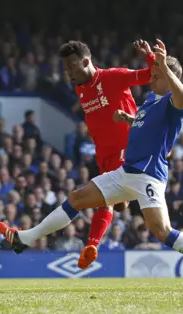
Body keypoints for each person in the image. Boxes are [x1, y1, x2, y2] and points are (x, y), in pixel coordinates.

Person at [0, 40, 183, 291]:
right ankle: (24, 238)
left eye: (157, 76)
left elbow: (182, 97)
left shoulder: (172, 102)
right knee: (76, 198)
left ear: (169, 79)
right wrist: (129, 119)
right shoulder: (150, 100)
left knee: (162, 232)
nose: (152, 78)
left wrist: (164, 69)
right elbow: (144, 127)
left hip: (149, 176)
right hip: (126, 172)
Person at [58, 39, 156, 269]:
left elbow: (151, 75)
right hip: (103, 154)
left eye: (72, 66)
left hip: (127, 147)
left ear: (86, 61)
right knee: (113, 202)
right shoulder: (80, 88)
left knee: (106, 201)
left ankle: (92, 245)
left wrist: (149, 56)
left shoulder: (114, 76)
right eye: (65, 68)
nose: (69, 73)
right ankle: (97, 239)